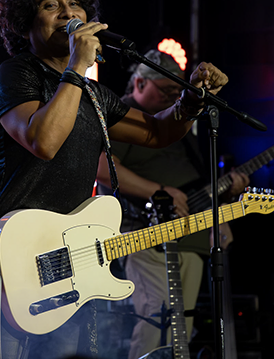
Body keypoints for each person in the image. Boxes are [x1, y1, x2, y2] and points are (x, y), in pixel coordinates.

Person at [0, 0, 230, 359]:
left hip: (66, 255)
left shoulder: (91, 94)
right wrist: (76, 67)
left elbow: (156, 133)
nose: (67, 12)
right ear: (24, 23)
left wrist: (191, 100)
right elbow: (44, 141)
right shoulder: (12, 76)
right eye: (50, 5)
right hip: (8, 254)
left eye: (74, 3)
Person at [95, 49, 250, 359]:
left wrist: (222, 204)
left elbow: (194, 182)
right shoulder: (125, 114)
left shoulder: (176, 123)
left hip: (191, 236)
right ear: (139, 83)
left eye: (175, 91)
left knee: (181, 324)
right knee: (157, 317)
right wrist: (159, 191)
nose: (172, 97)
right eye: (165, 90)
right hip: (144, 234)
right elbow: (101, 168)